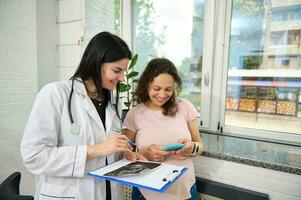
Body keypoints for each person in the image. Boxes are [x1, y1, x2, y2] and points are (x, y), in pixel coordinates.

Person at [20, 32, 144, 200]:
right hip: (69, 193)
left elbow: (108, 152)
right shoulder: (55, 94)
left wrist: (124, 155)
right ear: (96, 62)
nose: (122, 78)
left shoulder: (112, 103)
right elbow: (34, 156)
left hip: (110, 193)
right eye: (117, 70)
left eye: (123, 71)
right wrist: (96, 149)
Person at [123, 58, 205, 200]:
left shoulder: (185, 107)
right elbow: (125, 154)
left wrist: (192, 147)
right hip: (146, 191)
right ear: (146, 84)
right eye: (157, 89)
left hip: (184, 188)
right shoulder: (135, 113)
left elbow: (199, 144)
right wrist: (146, 154)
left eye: (168, 89)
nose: (162, 95)